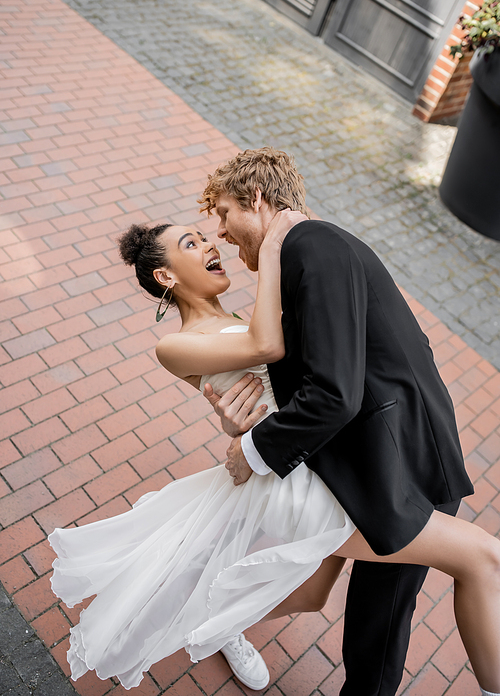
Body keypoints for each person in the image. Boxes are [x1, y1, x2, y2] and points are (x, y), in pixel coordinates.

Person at [198, 146, 500, 696]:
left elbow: (334, 392)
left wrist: (252, 451)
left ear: (258, 199)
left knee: (388, 612)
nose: (219, 231)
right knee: (377, 622)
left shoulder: (314, 245)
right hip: (392, 458)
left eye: (222, 213)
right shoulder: (305, 254)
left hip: (400, 465)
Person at [48, 212, 358, 691]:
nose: (211, 244)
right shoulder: (175, 345)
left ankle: (220, 622)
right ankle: (221, 626)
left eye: (205, 237)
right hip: (283, 474)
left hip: (297, 450)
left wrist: (234, 428)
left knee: (313, 594)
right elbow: (268, 344)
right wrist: (273, 246)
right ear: (165, 276)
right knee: (361, 541)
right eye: (191, 244)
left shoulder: (235, 318)